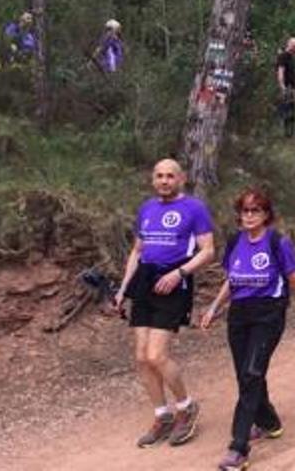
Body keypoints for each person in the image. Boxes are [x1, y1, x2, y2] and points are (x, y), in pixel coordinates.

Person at [200, 188, 295, 471]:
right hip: (239, 315)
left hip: (269, 314)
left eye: (256, 210)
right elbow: (232, 280)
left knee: (252, 374)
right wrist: (214, 308)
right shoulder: (234, 241)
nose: (249, 215)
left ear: (266, 215)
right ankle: (269, 422)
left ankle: (238, 448)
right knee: (246, 374)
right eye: (245, 210)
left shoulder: (278, 242)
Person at [113, 159, 215, 447]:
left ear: (181, 179)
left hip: (175, 283)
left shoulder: (194, 208)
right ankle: (163, 415)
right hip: (144, 282)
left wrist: (179, 272)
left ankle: (186, 407)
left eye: (170, 176)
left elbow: (207, 251)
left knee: (157, 355)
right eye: (159, 176)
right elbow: (137, 251)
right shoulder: (146, 208)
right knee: (141, 357)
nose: (164, 181)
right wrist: (123, 290)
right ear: (152, 179)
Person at [275, 37, 295, 138]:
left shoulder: (291, 57)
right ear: (289, 44)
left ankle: (290, 133)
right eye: (294, 46)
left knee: (292, 111)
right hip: (287, 87)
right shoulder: (283, 56)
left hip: (291, 88)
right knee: (287, 110)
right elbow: (280, 71)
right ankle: (287, 133)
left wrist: (294, 91)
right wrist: (282, 87)